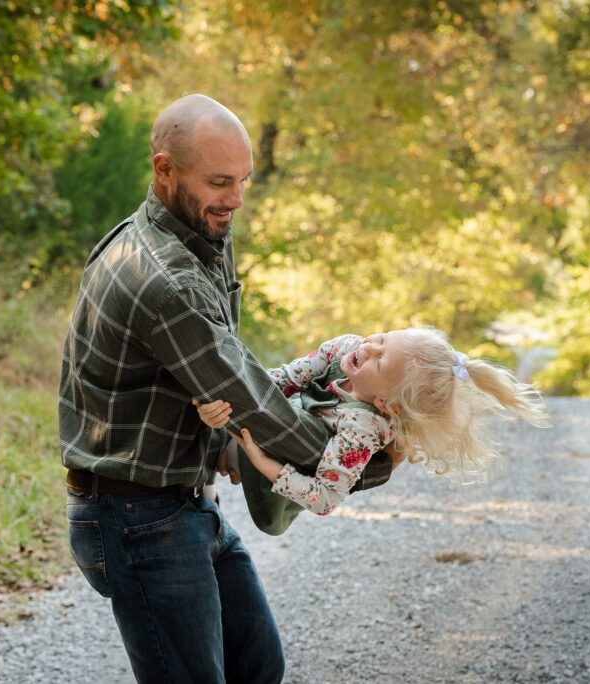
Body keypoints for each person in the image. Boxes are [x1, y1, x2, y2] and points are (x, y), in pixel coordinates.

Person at [58, 94, 394, 683]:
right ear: (164, 169)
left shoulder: (199, 230)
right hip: (136, 517)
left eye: (242, 180)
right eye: (219, 182)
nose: (236, 199)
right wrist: (365, 458)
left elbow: (208, 372)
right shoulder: (162, 278)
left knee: (257, 667)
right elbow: (251, 397)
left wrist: (221, 447)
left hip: (184, 500)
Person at [196, 327, 550, 529]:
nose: (368, 349)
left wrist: (261, 463)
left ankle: (220, 464)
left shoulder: (363, 426)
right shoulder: (346, 347)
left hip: (279, 480)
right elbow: (286, 379)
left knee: (238, 428)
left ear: (385, 404)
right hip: (281, 422)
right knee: (250, 397)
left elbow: (325, 498)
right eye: (381, 338)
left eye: (379, 362)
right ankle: (214, 451)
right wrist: (237, 393)